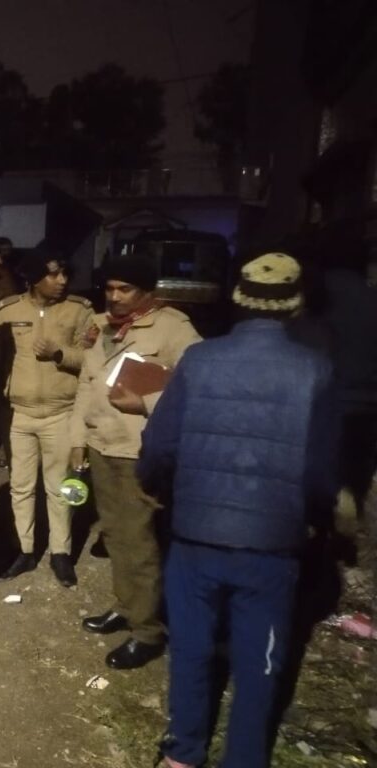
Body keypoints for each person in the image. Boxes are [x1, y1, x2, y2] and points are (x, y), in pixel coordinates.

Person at [137, 252, 338, 768]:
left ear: (238, 299)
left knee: (191, 646)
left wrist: (157, 488)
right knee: (260, 660)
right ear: (294, 305)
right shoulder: (315, 370)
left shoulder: (200, 360)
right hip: (272, 544)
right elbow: (321, 472)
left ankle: (183, 753)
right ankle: (245, 758)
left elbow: (159, 445)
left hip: (195, 532)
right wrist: (315, 521)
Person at [68, 255, 201, 670]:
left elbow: (198, 386)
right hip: (102, 444)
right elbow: (87, 384)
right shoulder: (101, 325)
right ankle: (126, 607)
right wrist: (77, 439)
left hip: (139, 450)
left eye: (124, 289)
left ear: (146, 291)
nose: (115, 296)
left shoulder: (173, 328)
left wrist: (145, 403)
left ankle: (147, 632)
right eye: (110, 288)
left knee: (140, 542)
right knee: (115, 535)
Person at [0, 244, 94, 587]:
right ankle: (25, 550)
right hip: (19, 415)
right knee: (20, 487)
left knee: (60, 488)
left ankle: (61, 552)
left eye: (65, 274)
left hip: (61, 414)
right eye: (53, 274)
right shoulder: (8, 310)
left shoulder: (78, 311)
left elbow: (93, 361)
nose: (62, 281)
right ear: (33, 278)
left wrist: (60, 353)